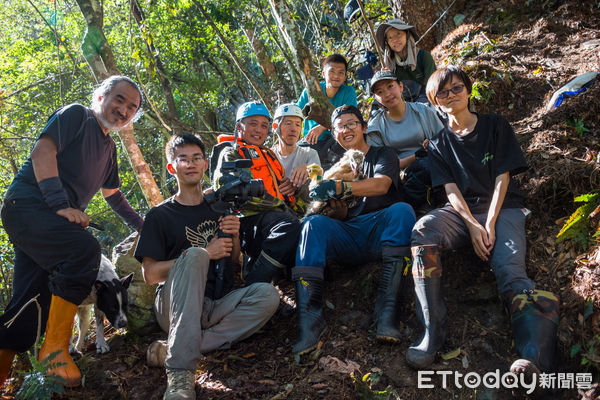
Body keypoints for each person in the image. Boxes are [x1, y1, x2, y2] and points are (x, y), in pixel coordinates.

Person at [407, 66, 559, 383]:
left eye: (457, 88)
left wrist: (488, 222)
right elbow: (450, 190)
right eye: (443, 92)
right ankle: (433, 329)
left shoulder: (494, 126)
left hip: (503, 209)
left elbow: (503, 176)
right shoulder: (437, 144)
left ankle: (534, 359)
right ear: (434, 99)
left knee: (509, 271)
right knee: (424, 229)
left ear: (468, 90)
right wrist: (472, 226)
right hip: (462, 213)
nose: (451, 95)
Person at [0, 76, 145, 388]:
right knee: (84, 251)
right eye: (119, 99)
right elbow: (42, 152)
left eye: (131, 108)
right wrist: (60, 204)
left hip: (52, 223)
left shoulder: (109, 150)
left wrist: (148, 229)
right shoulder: (77, 115)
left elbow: (115, 197)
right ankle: (55, 352)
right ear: (101, 96)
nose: (124, 110)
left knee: (30, 305)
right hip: (28, 206)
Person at [135, 133, 279, 400]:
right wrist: (205, 253)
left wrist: (234, 236)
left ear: (205, 165)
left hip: (215, 304)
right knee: (194, 256)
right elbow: (150, 275)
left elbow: (234, 262)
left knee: (267, 295)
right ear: (172, 167)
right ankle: (180, 377)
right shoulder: (160, 215)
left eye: (197, 158)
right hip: (175, 306)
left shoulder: (219, 207)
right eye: (183, 159)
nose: (191, 164)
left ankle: (178, 347)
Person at [291, 105, 416, 355]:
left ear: (363, 127)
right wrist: (335, 207)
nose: (346, 130)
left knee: (402, 210)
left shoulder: (384, 155)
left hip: (381, 232)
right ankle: (309, 320)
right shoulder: (338, 166)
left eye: (351, 124)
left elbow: (381, 186)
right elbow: (343, 213)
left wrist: (339, 189)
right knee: (312, 225)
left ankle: (387, 312)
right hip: (348, 235)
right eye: (340, 126)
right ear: (335, 134)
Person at [210, 102, 301, 285]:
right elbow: (227, 189)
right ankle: (255, 281)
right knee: (289, 226)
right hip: (249, 222)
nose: (259, 130)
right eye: (252, 123)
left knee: (307, 228)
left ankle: (289, 281)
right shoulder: (231, 153)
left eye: (264, 125)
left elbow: (281, 188)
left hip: (278, 215)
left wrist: (290, 189)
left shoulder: (270, 155)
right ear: (239, 127)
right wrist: (279, 206)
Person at [366, 69, 444, 210]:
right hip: (400, 175)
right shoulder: (375, 127)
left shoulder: (423, 111)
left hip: (431, 163)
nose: (387, 94)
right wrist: (417, 156)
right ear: (376, 98)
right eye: (380, 92)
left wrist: (432, 144)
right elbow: (381, 168)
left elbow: (443, 140)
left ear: (400, 86)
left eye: (390, 86)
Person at [297, 54, 357, 165]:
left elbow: (351, 116)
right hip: (311, 140)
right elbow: (296, 113)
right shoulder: (311, 90)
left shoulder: (349, 91)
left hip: (335, 140)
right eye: (332, 71)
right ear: (324, 74)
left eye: (341, 73)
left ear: (345, 76)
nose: (336, 76)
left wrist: (322, 127)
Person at [271, 103, 321, 212]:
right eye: (288, 123)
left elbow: (319, 181)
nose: (293, 129)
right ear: (275, 127)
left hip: (305, 210)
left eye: (298, 125)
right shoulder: (268, 156)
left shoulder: (310, 154)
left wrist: (309, 169)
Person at [374, 19, 436, 103]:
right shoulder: (390, 66)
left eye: (398, 34)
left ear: (407, 35)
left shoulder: (424, 56)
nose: (395, 40)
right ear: (387, 43)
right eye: (390, 38)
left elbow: (434, 87)